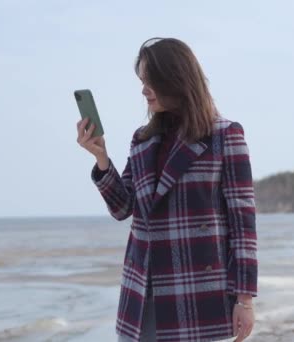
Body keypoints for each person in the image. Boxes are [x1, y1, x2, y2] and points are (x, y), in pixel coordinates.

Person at [76, 37, 257, 342]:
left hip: (196, 291)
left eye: (150, 81)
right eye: (142, 81)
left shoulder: (225, 136)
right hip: (141, 293)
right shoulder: (142, 140)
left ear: (176, 79)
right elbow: (123, 208)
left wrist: (245, 299)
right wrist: (101, 158)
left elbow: (243, 226)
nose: (143, 89)